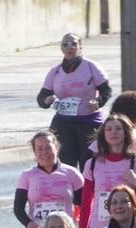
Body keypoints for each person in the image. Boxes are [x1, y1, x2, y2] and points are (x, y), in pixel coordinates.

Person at [77, 115, 136, 228]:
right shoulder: (92, 164)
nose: (113, 132)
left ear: (126, 133)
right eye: (109, 129)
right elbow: (86, 203)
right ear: (103, 135)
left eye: (118, 128)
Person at [39, 33, 112, 168]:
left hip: (88, 121)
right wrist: (46, 101)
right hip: (64, 122)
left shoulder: (91, 66)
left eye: (73, 44)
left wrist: (99, 101)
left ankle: (90, 188)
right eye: (65, 44)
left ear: (80, 47)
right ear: (61, 49)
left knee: (89, 164)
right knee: (66, 165)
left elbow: (106, 90)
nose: (70, 47)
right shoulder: (55, 71)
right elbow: (41, 97)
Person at [15, 131, 85, 228]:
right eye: (39, 149)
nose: (44, 152)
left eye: (48, 147)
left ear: (57, 148)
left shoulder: (72, 173)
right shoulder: (27, 175)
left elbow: (85, 205)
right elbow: (18, 208)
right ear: (35, 153)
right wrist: (29, 224)